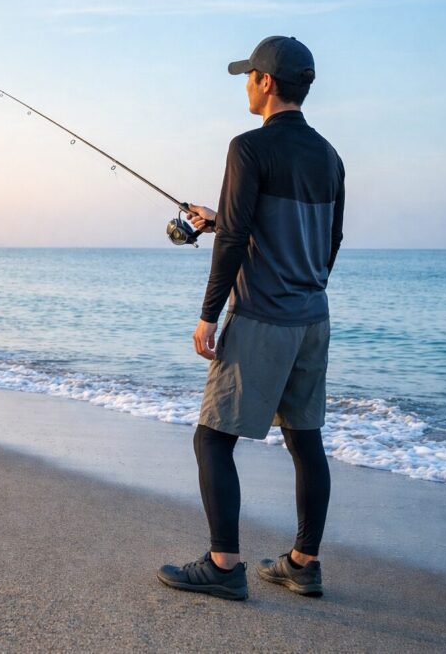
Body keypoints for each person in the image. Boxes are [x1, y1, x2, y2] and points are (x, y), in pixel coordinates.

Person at [156, 36, 345, 601]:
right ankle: (303, 564)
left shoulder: (248, 148)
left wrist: (208, 314)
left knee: (211, 441)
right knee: (305, 439)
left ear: (266, 82)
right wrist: (220, 221)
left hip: (262, 319)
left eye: (248, 76)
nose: (245, 84)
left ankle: (223, 565)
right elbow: (327, 241)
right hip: (313, 317)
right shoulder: (330, 155)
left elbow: (237, 237)